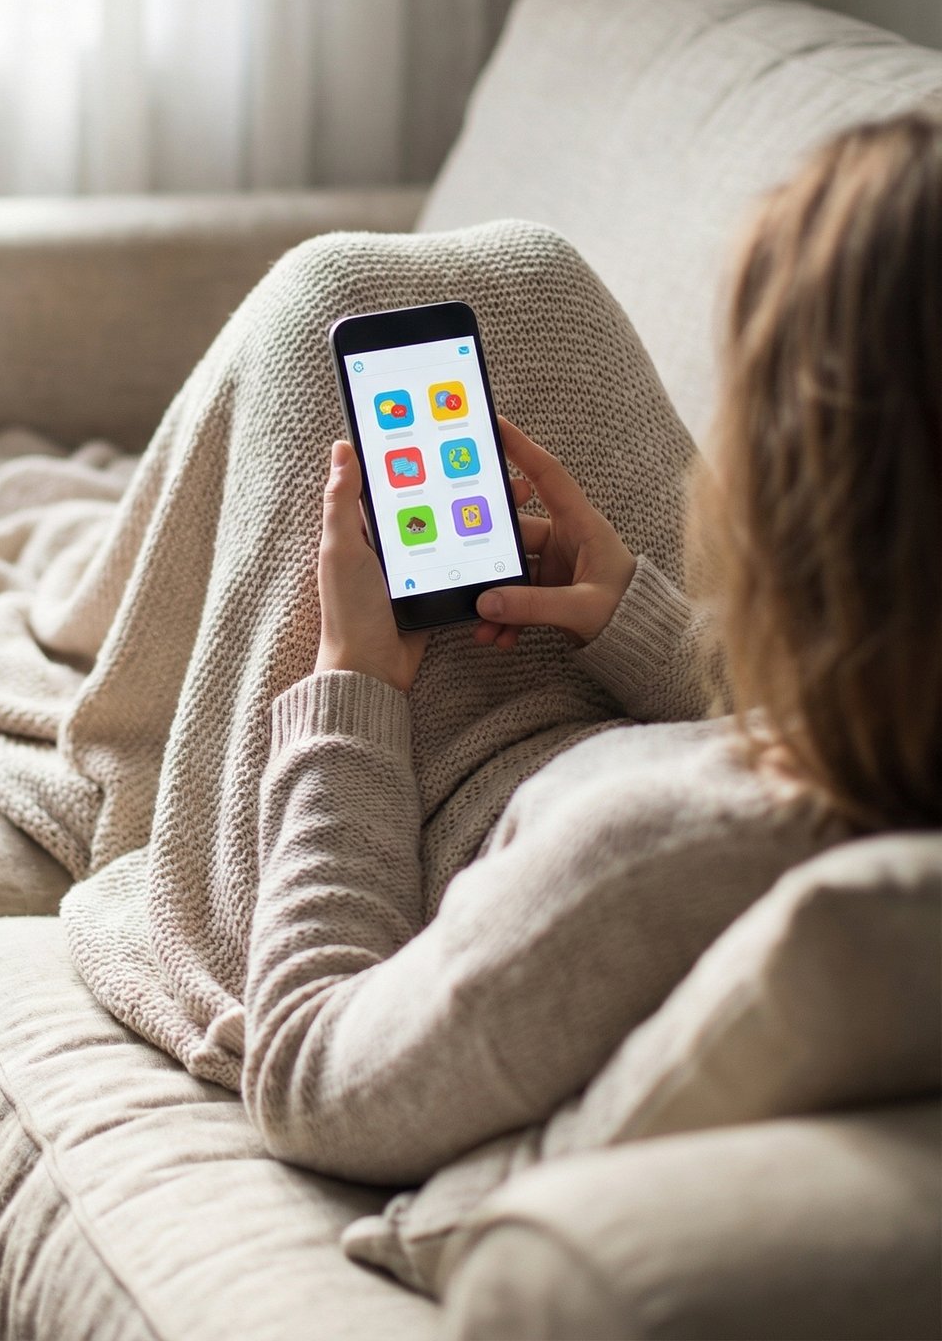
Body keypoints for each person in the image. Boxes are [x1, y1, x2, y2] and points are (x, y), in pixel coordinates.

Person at [242, 110, 942, 1184]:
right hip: (643, 691)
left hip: (415, 795)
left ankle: (96, 604)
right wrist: (632, 620)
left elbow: (306, 1074)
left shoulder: (648, 869)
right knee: (532, 275)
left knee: (327, 295)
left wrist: (348, 690)